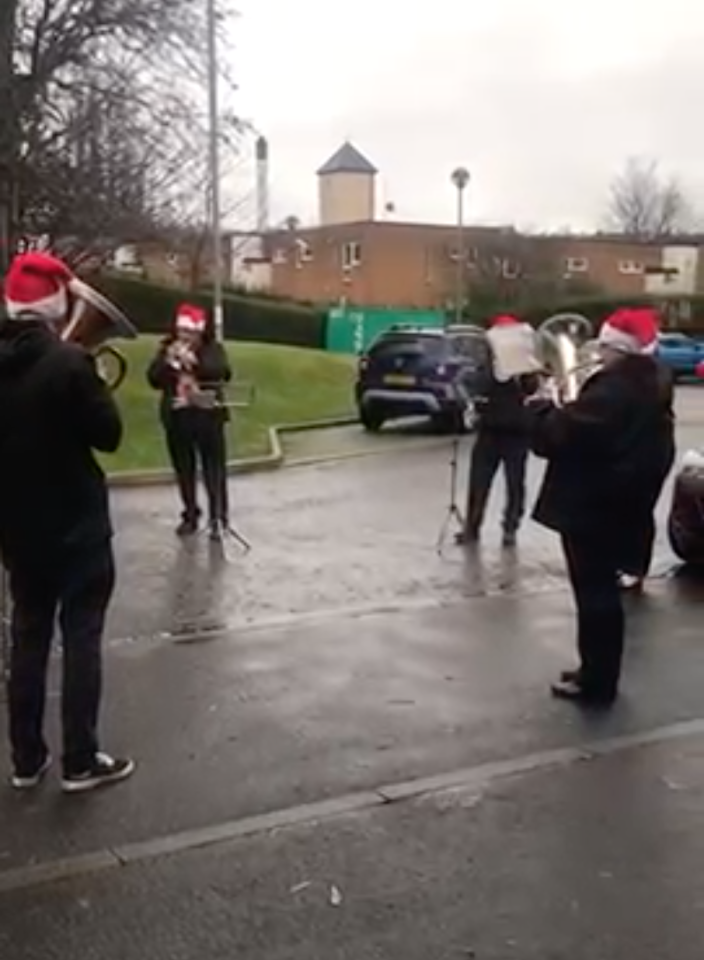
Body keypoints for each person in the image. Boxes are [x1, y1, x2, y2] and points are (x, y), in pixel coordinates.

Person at [0, 251, 135, 791]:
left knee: (27, 640)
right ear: (56, 304)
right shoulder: (69, 363)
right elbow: (109, 435)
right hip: (76, 528)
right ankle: (81, 758)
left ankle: (25, 759)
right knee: (81, 638)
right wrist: (92, 379)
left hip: (16, 530)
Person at [529, 306, 675, 706]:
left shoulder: (614, 389)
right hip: (618, 504)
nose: (599, 354)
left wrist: (542, 406)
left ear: (618, 348)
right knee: (598, 596)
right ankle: (593, 667)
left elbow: (559, 436)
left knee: (595, 597)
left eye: (605, 347)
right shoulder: (651, 381)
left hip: (594, 507)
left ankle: (597, 683)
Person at [147, 304, 232, 539]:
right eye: (182, 331)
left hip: (207, 416)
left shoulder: (212, 348)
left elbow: (222, 371)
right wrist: (169, 362)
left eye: (191, 333)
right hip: (177, 417)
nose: (185, 337)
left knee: (213, 469)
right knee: (184, 469)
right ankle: (190, 514)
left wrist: (194, 362)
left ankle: (218, 518)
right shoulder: (166, 348)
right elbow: (153, 379)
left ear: (200, 333)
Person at [456, 314, 540, 548]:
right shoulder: (486, 363)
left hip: (516, 433)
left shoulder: (523, 366)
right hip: (489, 430)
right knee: (478, 482)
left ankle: (510, 528)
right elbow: (474, 385)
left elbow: (532, 389)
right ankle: (472, 527)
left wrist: (521, 371)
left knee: (515, 484)